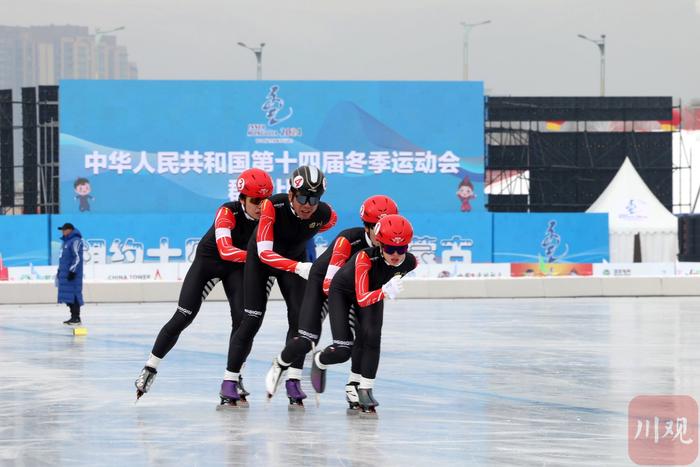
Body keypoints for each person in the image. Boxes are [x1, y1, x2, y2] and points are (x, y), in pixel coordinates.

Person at [134, 168, 274, 404]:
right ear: (242, 199)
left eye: (265, 200)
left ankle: (233, 377)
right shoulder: (227, 211)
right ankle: (150, 367)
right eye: (255, 201)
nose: (261, 206)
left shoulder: (270, 217)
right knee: (184, 315)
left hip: (237, 269)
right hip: (210, 264)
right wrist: (258, 256)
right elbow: (226, 250)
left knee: (243, 321)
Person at [265, 195, 399, 408]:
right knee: (308, 338)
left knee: (369, 333)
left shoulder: (391, 247)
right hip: (325, 283)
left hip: (360, 288)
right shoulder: (348, 240)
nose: (382, 234)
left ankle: (355, 387)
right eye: (376, 227)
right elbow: (329, 285)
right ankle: (282, 365)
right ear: (366, 226)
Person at [222, 165, 337, 407]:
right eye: (303, 197)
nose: (308, 204)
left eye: (314, 199)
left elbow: (323, 226)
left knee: (300, 321)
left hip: (294, 262)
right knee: (251, 319)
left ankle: (293, 379)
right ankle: (229, 380)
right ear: (291, 194)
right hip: (262, 262)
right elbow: (264, 253)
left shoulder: (325, 214)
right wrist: (298, 266)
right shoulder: (272, 206)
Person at [309, 214, 416, 416]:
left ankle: (363, 389)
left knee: (372, 336)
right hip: (344, 293)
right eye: (390, 248)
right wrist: (384, 291)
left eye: (401, 249)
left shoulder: (410, 262)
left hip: (372, 291)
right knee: (343, 350)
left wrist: (384, 287)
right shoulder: (364, 258)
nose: (395, 254)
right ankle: (320, 360)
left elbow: (384, 278)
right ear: (380, 245)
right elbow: (361, 298)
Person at [56, 222, 85, 325]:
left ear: (70, 230)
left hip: (73, 275)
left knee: (74, 295)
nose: (62, 232)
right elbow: (63, 259)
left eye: (64, 229)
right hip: (65, 274)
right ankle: (73, 317)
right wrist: (59, 271)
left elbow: (77, 257)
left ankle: (76, 318)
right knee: (68, 297)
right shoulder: (66, 242)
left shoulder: (76, 241)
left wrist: (72, 271)